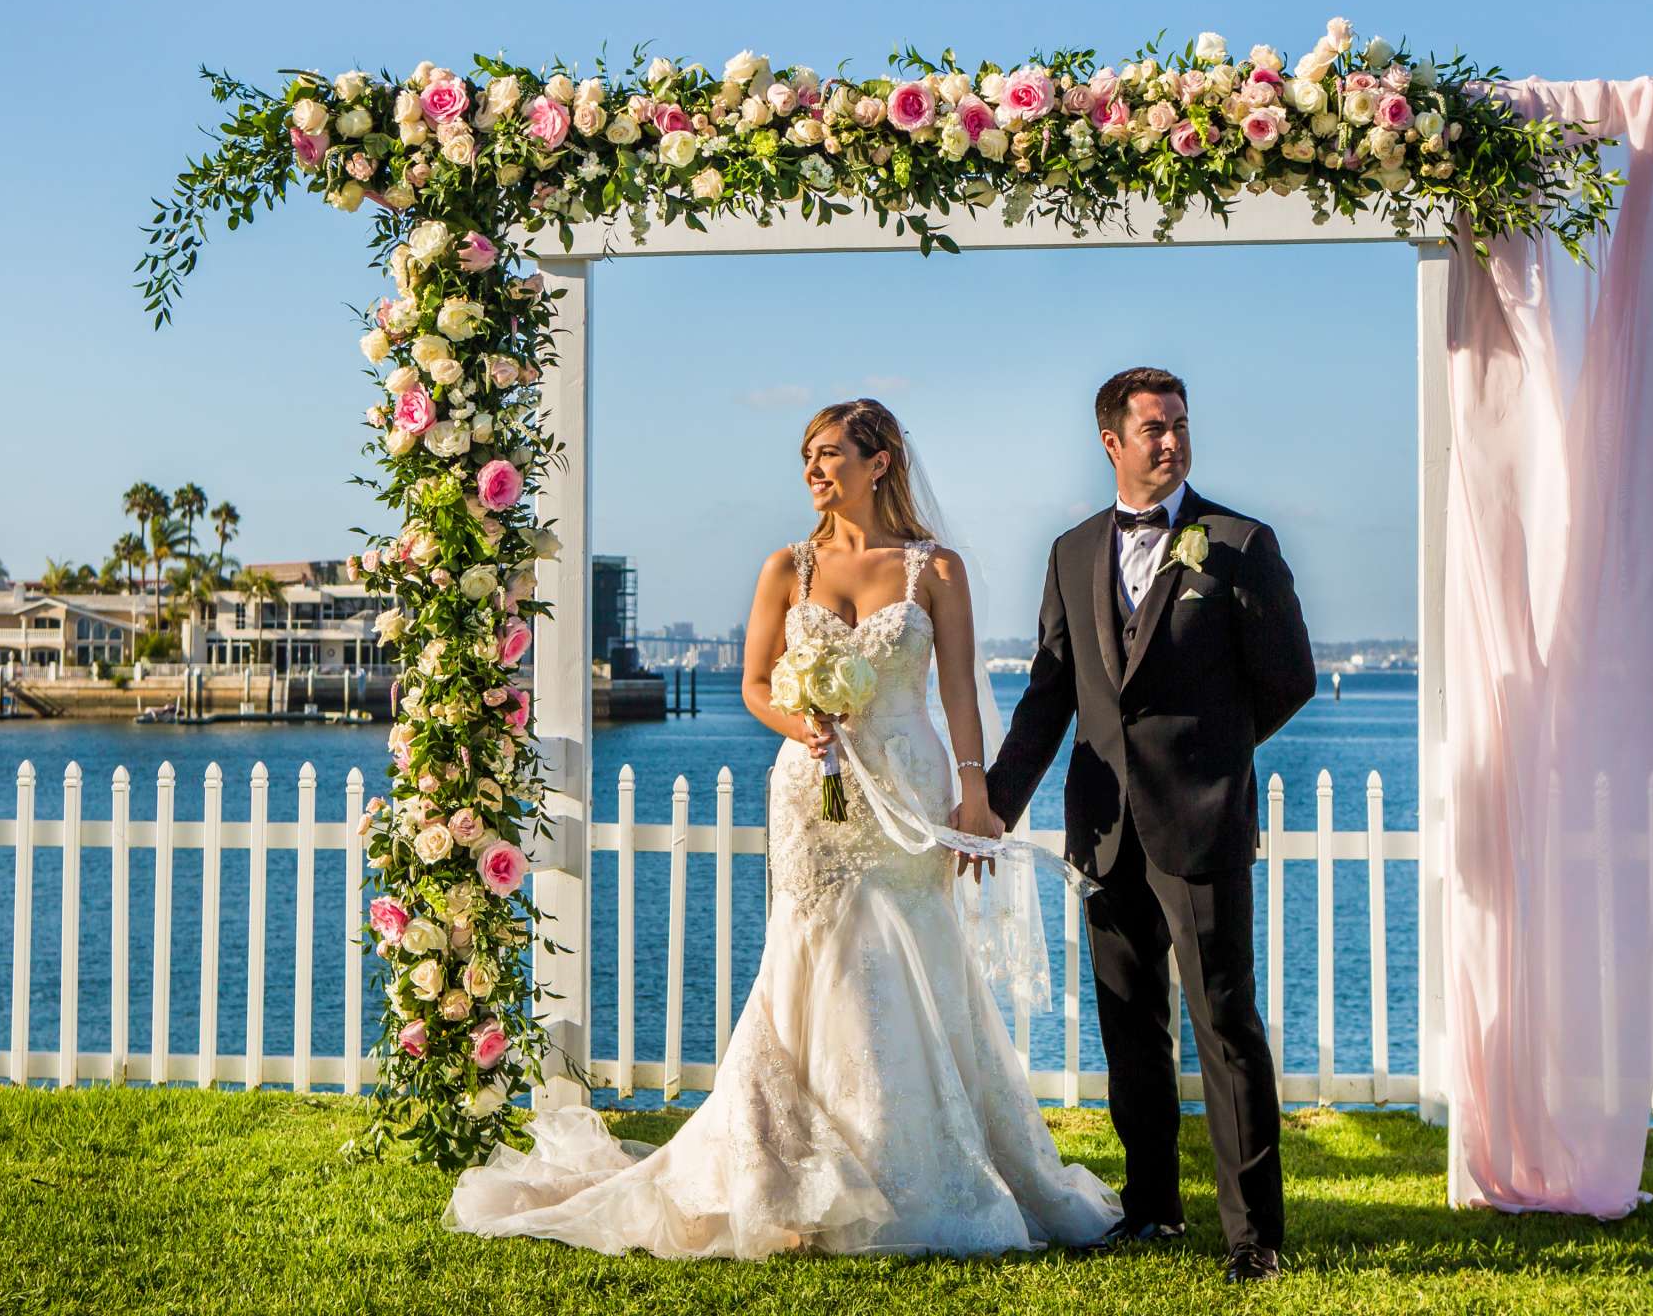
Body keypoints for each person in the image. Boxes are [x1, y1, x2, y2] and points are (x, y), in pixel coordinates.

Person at [444, 397, 1119, 1258]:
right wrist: (800, 721)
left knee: (909, 953)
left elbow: (956, 691)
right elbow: (756, 683)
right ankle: (789, 1170)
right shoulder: (785, 569)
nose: (813, 469)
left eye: (830, 453)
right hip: (813, 790)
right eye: (807, 455)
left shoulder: (933, 570)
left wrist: (975, 789)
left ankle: (913, 1164)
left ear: (880, 463)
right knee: (811, 955)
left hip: (906, 788)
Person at [968, 366, 1316, 1283]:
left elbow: (1289, 679)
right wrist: (996, 806)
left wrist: (1213, 757)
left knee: (1226, 1027)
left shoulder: (1238, 543)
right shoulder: (1071, 551)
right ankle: (1153, 1208)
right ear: (1111, 443)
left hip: (1200, 822)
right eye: (1153, 428)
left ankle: (1255, 1239)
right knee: (1130, 1027)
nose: (1171, 441)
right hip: (1104, 827)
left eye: (1181, 425)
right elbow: (1049, 697)